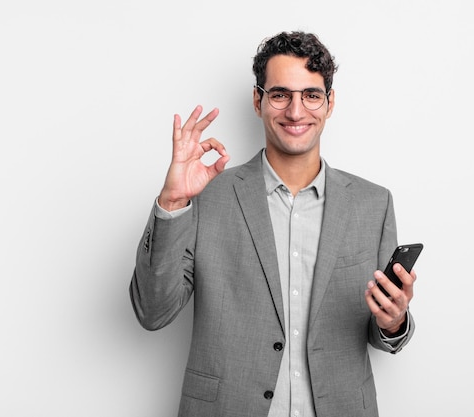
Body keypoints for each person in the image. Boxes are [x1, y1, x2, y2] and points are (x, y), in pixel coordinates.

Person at [130, 31, 417, 417]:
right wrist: (173, 202)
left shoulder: (373, 203)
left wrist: (394, 321)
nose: (296, 112)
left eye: (311, 95)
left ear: (329, 103)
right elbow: (152, 312)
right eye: (280, 94)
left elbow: (382, 331)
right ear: (258, 100)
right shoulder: (208, 195)